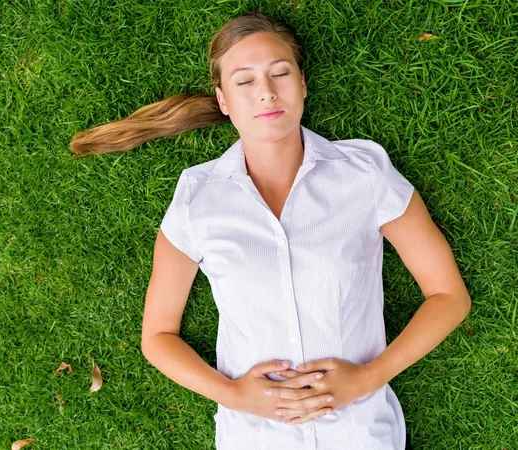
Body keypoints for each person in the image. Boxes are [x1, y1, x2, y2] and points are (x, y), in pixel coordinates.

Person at [70, 11, 471, 450]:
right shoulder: (197, 197)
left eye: (280, 73)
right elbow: (158, 336)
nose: (266, 93)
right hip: (253, 438)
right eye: (245, 81)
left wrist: (368, 378)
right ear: (224, 100)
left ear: (301, 84)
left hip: (361, 432)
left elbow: (448, 296)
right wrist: (234, 394)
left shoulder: (365, 174)